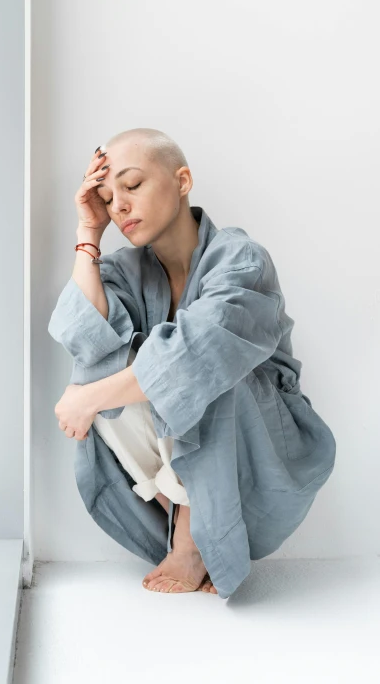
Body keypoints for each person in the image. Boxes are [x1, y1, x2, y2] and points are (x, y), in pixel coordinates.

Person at [48, 128, 336, 598]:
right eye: (106, 196)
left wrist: (89, 399)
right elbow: (84, 336)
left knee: (210, 367)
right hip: (181, 465)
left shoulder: (241, 258)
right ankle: (191, 512)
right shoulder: (128, 268)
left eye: (132, 184)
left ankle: (195, 539)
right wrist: (88, 233)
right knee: (100, 355)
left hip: (261, 450)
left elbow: (198, 352)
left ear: (182, 181)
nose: (118, 204)